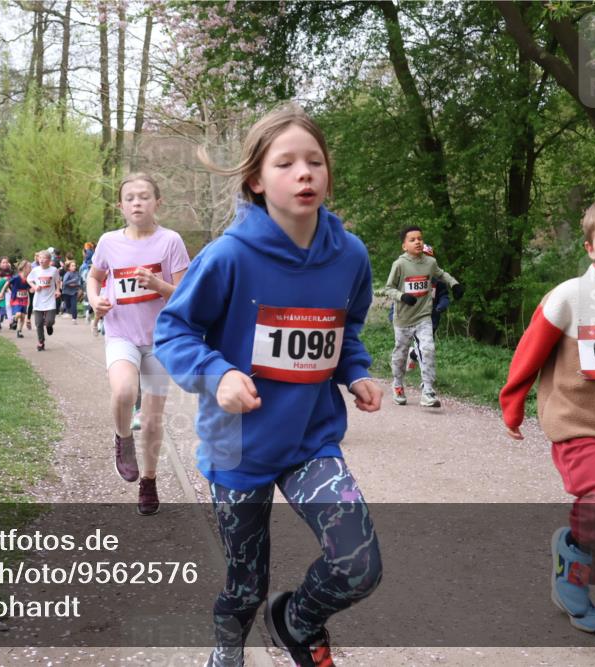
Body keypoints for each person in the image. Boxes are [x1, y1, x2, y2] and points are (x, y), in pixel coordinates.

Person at [153, 104, 383, 667]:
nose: (304, 173)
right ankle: (227, 652)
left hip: (310, 440)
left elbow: (346, 330)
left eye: (315, 161)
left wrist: (355, 371)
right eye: (285, 163)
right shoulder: (228, 256)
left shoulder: (350, 256)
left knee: (359, 564)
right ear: (256, 180)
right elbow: (173, 331)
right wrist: (219, 375)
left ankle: (297, 622)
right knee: (245, 584)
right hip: (239, 445)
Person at [500, 194, 595, 636]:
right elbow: (530, 351)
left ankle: (573, 560)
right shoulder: (570, 296)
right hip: (576, 421)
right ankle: (575, 570)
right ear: (589, 248)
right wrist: (512, 404)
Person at [86, 172, 190, 515]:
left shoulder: (170, 241)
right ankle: (123, 439)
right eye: (130, 198)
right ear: (120, 206)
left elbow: (186, 294)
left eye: (144, 197)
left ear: (157, 202)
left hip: (161, 340)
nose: (137, 203)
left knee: (153, 418)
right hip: (121, 333)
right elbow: (94, 277)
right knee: (124, 392)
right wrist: (95, 300)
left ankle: (149, 480)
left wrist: (159, 286)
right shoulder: (108, 242)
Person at [383, 226, 463, 408]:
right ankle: (397, 385)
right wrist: (402, 296)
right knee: (401, 354)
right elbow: (388, 288)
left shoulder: (430, 262)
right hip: (403, 319)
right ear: (404, 246)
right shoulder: (399, 264)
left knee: (427, 349)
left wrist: (455, 284)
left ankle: (427, 391)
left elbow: (441, 274)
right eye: (412, 240)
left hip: (424, 316)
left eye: (420, 238)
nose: (417, 242)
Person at [27, 250, 62, 351]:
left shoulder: (54, 270)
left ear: (49, 260)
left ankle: (49, 325)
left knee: (50, 321)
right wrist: (34, 286)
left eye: (44, 258)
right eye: (40, 258)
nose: (41, 260)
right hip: (38, 300)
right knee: (38, 323)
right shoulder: (35, 270)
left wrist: (57, 290)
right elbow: (29, 279)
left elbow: (58, 280)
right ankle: (41, 342)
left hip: (50, 299)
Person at [1, 260, 31, 338]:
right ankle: (13, 320)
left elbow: (30, 289)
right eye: (29, 267)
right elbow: (7, 283)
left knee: (23, 317)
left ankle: (19, 331)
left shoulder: (29, 278)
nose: (30, 269)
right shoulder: (16, 277)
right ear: (24, 268)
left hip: (24, 300)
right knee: (18, 314)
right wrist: (2, 292)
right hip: (15, 299)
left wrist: (33, 289)